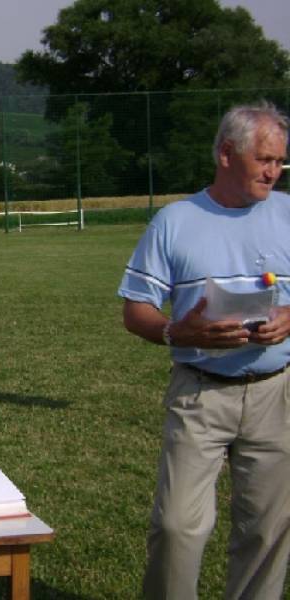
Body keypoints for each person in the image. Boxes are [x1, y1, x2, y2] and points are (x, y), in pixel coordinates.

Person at [118, 101, 290, 600]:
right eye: (264, 159)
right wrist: (181, 332)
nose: (273, 172)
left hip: (274, 394)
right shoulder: (175, 221)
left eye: (280, 162)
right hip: (200, 394)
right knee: (176, 527)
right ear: (226, 153)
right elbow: (136, 311)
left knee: (268, 529)